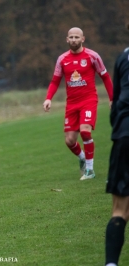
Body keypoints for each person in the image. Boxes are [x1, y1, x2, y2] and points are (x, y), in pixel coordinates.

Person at [43, 27, 113, 180]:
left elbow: (105, 77)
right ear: (67, 39)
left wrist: (112, 98)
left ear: (83, 39)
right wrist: (48, 98)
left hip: (89, 100)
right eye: (71, 37)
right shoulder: (62, 59)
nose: (74, 40)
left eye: (77, 37)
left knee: (85, 131)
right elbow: (55, 81)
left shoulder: (92, 56)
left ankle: (90, 170)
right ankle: (82, 157)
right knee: (69, 141)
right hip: (72, 104)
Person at [104, 24, 129, 266]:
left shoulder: (123, 58)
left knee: (120, 211)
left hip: (124, 135)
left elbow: (116, 102)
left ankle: (111, 264)